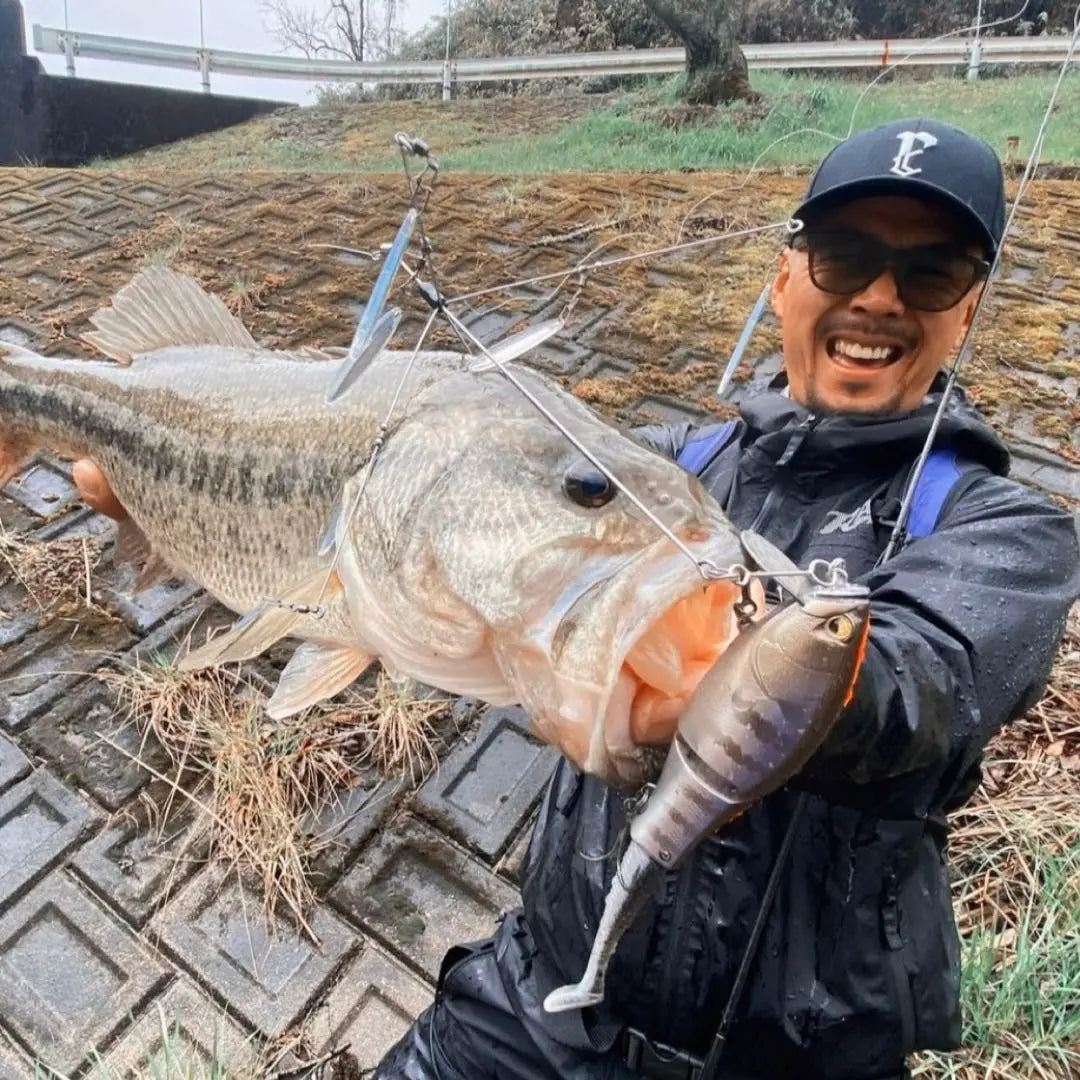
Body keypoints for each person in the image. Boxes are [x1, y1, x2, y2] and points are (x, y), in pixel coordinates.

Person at [72, 118, 1080, 1080]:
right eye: (845, 257)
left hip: (805, 1059)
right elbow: (491, 605)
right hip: (536, 1003)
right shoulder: (675, 465)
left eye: (930, 270)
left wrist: (753, 665)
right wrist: (212, 537)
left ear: (971, 305)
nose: (879, 297)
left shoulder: (1008, 534)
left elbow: (920, 688)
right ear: (783, 277)